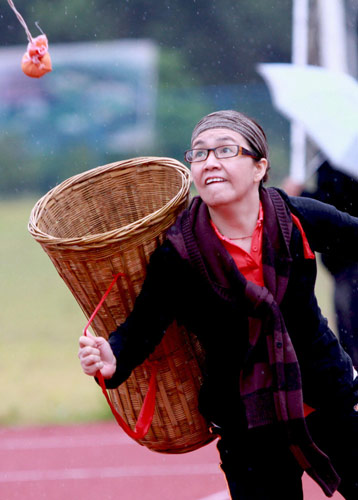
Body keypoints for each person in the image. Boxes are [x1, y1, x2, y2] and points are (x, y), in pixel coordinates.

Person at [78, 110, 358, 500]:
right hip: (248, 424)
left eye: (225, 150)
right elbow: (143, 326)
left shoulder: (297, 217)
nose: (210, 162)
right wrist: (111, 356)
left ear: (259, 166)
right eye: (200, 153)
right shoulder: (179, 252)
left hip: (327, 399)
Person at [283, 159, 358, 368]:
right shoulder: (329, 158)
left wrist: (300, 196)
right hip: (341, 267)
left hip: (350, 264)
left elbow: (336, 207)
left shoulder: (342, 163)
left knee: (352, 341)